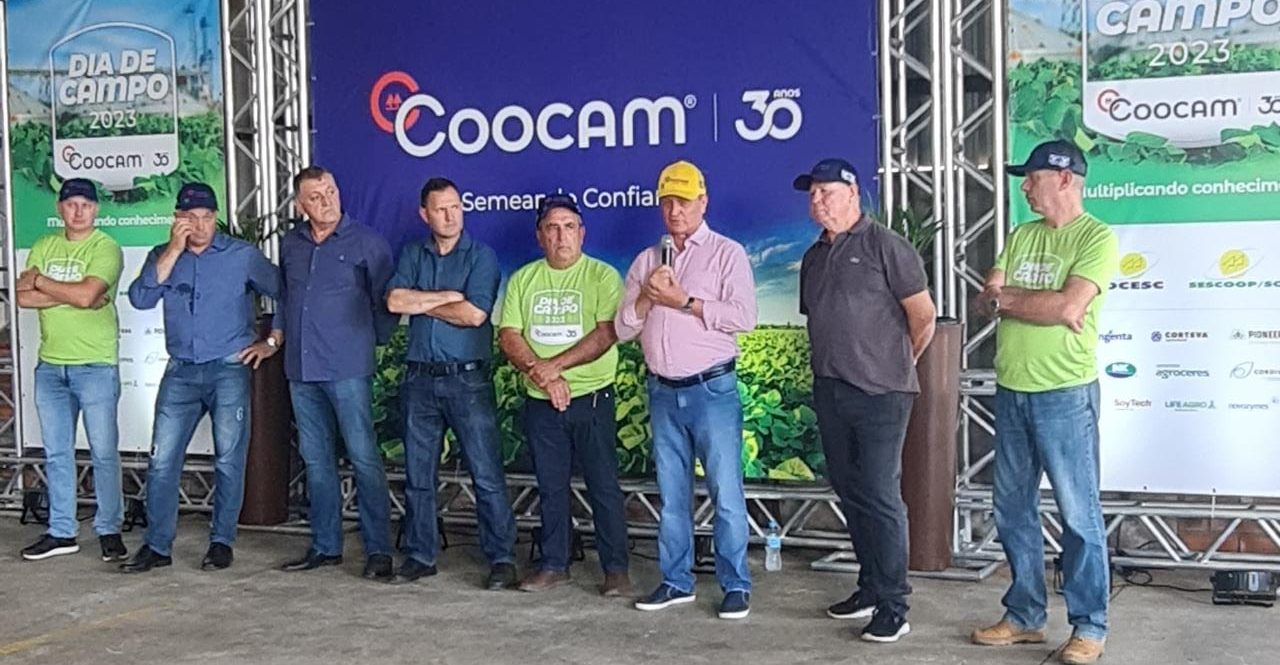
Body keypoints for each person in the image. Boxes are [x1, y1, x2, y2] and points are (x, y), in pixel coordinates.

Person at [971, 140, 1117, 665]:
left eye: (1033, 178)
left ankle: (1090, 625)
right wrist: (1028, 302)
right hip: (1012, 390)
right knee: (1012, 508)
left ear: (1064, 179)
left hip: (1065, 393)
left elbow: (1069, 307)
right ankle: (1025, 615)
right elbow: (986, 300)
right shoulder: (1021, 234)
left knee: (1078, 513)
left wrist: (1013, 300)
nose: (1026, 187)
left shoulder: (1096, 237)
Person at [794, 159, 936, 642]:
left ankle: (895, 604)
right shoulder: (814, 256)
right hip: (831, 390)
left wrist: (896, 364)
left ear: (853, 194)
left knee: (879, 493)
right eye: (812, 194)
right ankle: (870, 586)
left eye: (827, 192)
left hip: (881, 394)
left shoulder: (886, 246)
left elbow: (923, 316)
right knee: (849, 488)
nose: (817, 201)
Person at [615, 160, 757, 619]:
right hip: (662, 393)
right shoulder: (647, 260)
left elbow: (744, 317)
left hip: (711, 390)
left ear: (703, 202)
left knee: (725, 492)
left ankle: (735, 584)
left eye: (684, 201)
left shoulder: (727, 253)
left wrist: (685, 302)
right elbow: (623, 328)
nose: (675, 210)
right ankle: (676, 581)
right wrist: (647, 297)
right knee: (672, 495)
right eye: (667, 201)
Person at [120, 183, 281, 573]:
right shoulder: (162, 255)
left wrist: (272, 341)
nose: (200, 225)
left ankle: (222, 542)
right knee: (162, 460)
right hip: (181, 370)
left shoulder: (241, 255)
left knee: (228, 458)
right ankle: (157, 546)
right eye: (191, 218)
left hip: (229, 367)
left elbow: (288, 292)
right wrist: (174, 249)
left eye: (207, 217)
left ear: (216, 217)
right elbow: (141, 298)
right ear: (177, 219)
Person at [384, 177, 518, 590]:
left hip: (467, 380)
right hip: (419, 379)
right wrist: (449, 297)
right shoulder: (413, 252)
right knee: (418, 475)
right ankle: (420, 555)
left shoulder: (482, 256)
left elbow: (474, 315)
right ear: (424, 214)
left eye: (456, 207)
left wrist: (423, 301)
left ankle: (502, 558)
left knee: (486, 473)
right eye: (441, 209)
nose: (450, 215)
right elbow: (395, 301)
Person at [498, 194, 631, 596]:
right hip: (541, 402)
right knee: (550, 486)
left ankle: (615, 570)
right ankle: (555, 564)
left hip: (592, 399)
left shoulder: (602, 275)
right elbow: (509, 335)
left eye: (569, 227)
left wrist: (554, 367)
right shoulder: (523, 280)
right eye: (552, 228)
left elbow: (606, 333)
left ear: (582, 233)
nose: (561, 236)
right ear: (539, 236)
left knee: (603, 485)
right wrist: (541, 375)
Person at [275, 167, 398, 580]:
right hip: (301, 369)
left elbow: (386, 305)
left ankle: (378, 550)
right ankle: (325, 545)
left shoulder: (367, 242)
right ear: (300, 205)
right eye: (315, 196)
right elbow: (286, 298)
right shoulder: (291, 244)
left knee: (363, 457)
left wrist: (369, 344)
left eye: (330, 191)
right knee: (316, 460)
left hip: (348, 369)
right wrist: (276, 338)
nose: (326, 200)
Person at [16, 178, 126, 562]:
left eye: (86, 204)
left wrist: (44, 283)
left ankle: (110, 529)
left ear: (96, 209)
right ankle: (62, 531)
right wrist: (73, 295)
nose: (78, 211)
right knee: (57, 453)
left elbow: (86, 294)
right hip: (51, 365)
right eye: (71, 204)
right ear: (59, 208)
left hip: (95, 365)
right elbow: (22, 296)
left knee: (103, 452)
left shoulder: (106, 247)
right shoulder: (44, 245)